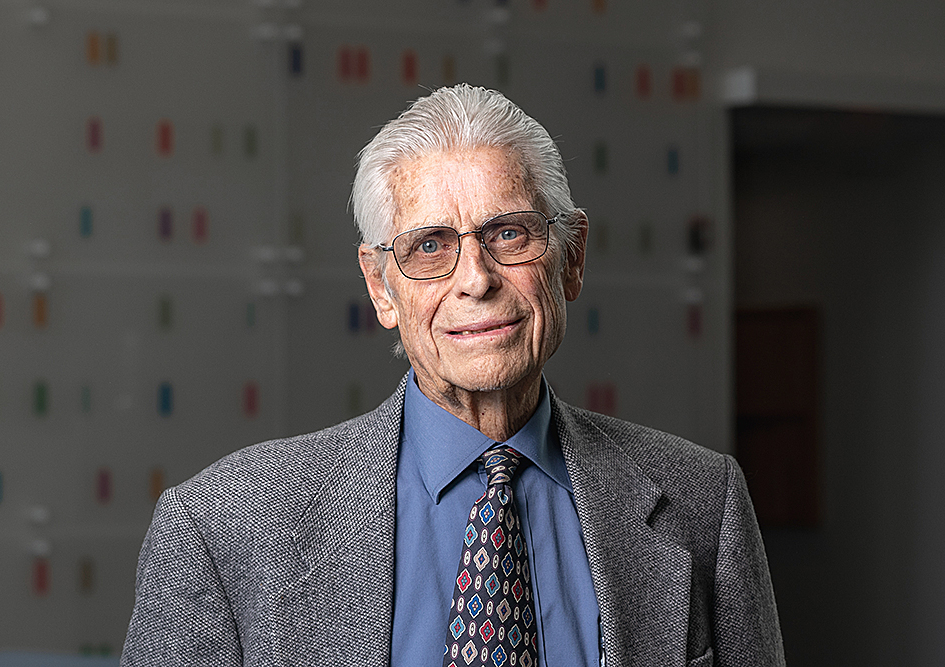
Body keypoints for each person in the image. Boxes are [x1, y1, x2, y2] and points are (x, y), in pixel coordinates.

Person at [121, 84, 784, 667]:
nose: (476, 279)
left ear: (572, 258)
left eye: (509, 234)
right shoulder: (220, 528)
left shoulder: (703, 501)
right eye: (430, 246)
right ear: (381, 287)